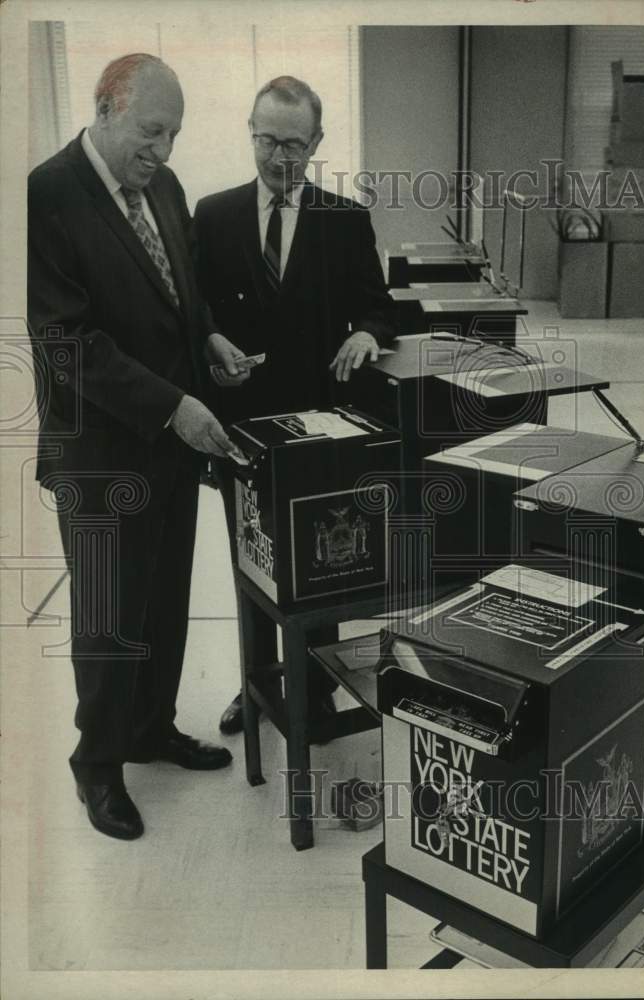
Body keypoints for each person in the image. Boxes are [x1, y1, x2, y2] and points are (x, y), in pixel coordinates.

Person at [27, 53, 247, 840]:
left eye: (175, 134)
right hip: (101, 454)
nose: (164, 149)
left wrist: (211, 333)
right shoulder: (44, 195)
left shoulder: (163, 185)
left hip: (171, 441)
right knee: (108, 617)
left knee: (163, 598)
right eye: (152, 130)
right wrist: (172, 406)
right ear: (106, 107)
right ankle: (99, 767)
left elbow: (181, 289)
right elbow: (65, 341)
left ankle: (152, 728)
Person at [194, 75, 396, 735]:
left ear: (317, 142)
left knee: (321, 567)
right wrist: (209, 340)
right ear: (251, 132)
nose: (280, 158)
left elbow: (377, 303)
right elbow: (194, 311)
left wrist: (367, 331)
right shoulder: (214, 215)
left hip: (319, 432)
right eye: (268, 141)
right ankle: (254, 683)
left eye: (295, 145)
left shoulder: (345, 219)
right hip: (241, 429)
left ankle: (313, 684)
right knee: (250, 555)